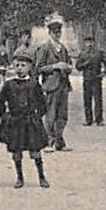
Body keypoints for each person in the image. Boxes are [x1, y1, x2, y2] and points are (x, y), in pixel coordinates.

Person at [0, 47, 50, 189]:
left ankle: (41, 176)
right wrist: (6, 117)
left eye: (23, 65)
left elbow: (43, 104)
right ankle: (19, 177)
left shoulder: (34, 84)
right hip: (15, 122)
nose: (19, 69)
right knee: (16, 151)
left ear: (29, 67)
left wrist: (37, 117)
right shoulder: (9, 85)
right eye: (17, 65)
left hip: (31, 122)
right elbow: (0, 104)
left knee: (35, 151)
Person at [34, 16, 75, 151]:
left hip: (63, 85)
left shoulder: (62, 48)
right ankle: (48, 142)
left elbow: (69, 63)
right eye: (55, 32)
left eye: (59, 32)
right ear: (50, 33)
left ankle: (59, 141)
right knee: (50, 115)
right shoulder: (45, 48)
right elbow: (39, 68)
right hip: (51, 86)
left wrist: (68, 67)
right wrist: (55, 66)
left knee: (62, 115)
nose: (57, 35)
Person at [77, 32, 106, 127]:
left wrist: (104, 73)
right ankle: (88, 120)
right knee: (87, 100)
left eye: (91, 42)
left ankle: (99, 120)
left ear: (94, 43)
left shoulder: (99, 53)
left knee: (98, 100)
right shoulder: (82, 54)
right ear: (85, 43)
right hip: (86, 79)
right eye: (87, 42)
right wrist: (85, 63)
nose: (89, 44)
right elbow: (78, 66)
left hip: (96, 79)